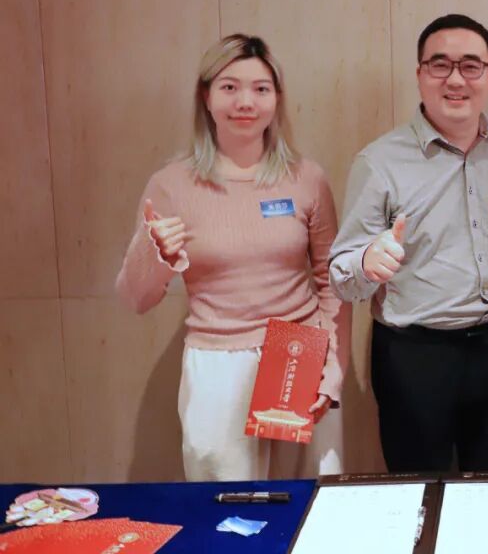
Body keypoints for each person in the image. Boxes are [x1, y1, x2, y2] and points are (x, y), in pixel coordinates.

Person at [115, 34, 350, 481]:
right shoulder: (171, 184)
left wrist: (334, 366)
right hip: (217, 360)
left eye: (261, 89)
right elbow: (136, 298)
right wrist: (155, 251)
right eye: (229, 87)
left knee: (304, 497)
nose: (246, 102)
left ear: (277, 99)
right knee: (226, 502)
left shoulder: (306, 178)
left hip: (298, 348)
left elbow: (331, 278)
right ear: (206, 96)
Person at [329, 13, 488, 472]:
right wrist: (366, 263)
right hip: (413, 356)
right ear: (420, 74)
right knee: (418, 491)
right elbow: (341, 277)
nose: (455, 79)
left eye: (471, 66)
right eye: (440, 65)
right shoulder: (379, 161)